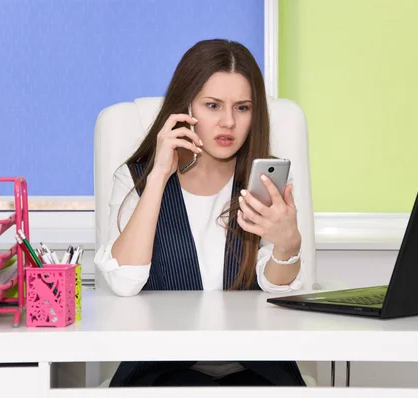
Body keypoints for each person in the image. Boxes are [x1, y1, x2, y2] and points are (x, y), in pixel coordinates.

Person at [94, 39, 306, 387]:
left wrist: (288, 245)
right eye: (212, 105)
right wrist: (159, 175)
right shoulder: (135, 178)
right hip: (162, 369)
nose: (228, 122)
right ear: (184, 107)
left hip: (255, 369)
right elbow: (124, 281)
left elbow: (276, 289)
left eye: (242, 108)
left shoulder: (266, 181)